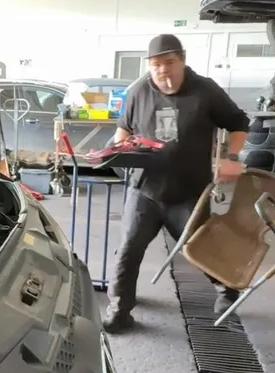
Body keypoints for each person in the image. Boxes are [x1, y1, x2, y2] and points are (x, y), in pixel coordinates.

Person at [102, 34, 250, 333]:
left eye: (169, 62)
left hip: (189, 191)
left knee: (202, 248)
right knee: (129, 249)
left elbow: (239, 123)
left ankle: (227, 293)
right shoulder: (139, 91)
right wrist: (118, 149)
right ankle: (119, 309)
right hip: (145, 189)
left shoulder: (205, 90)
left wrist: (231, 157)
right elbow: (123, 129)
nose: (162, 70)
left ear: (182, 60)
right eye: (156, 64)